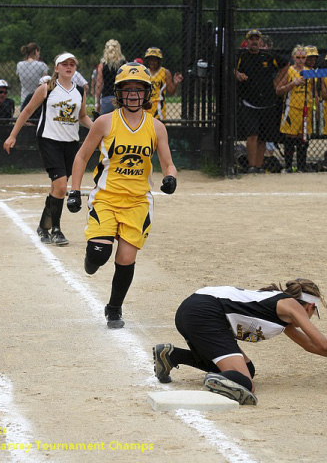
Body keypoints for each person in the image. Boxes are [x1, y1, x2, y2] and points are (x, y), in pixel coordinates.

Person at [67, 62, 178, 329]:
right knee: (98, 254)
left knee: (126, 258)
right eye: (127, 90)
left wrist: (170, 178)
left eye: (138, 90)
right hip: (106, 197)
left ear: (147, 93)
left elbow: (168, 163)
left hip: (138, 202)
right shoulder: (105, 122)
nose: (132, 95)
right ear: (118, 93)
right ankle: (91, 259)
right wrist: (74, 190)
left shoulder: (156, 127)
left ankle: (114, 308)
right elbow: (82, 156)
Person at [153, 278, 327, 406]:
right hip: (205, 313)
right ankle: (214, 379)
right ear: (310, 307)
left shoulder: (282, 313)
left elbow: (310, 345)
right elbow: (322, 344)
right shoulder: (291, 305)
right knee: (245, 382)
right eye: (312, 313)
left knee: (247, 370)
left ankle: (173, 356)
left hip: (193, 311)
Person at [4, 52, 92, 246]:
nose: (69, 67)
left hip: (70, 142)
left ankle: (43, 227)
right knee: (61, 186)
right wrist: (12, 135)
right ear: (56, 68)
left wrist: (98, 129)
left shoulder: (79, 90)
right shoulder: (47, 88)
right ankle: (56, 230)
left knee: (56, 188)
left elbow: (82, 116)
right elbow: (27, 111)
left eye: (72, 64)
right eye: (64, 64)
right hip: (49, 140)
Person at [236, 29, 288, 173]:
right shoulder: (241, 55)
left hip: (267, 103)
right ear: (247, 41)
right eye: (251, 39)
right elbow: (229, 67)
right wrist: (237, 74)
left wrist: (277, 81)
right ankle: (251, 166)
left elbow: (286, 64)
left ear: (260, 41)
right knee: (252, 134)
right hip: (248, 102)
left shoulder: (268, 56)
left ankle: (259, 166)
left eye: (256, 39)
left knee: (263, 137)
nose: (254, 41)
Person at [276, 45, 312, 173]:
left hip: (306, 109)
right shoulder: (290, 71)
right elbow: (278, 90)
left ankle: (301, 166)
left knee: (303, 137)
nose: (301, 60)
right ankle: (289, 166)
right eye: (298, 57)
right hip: (292, 108)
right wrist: (292, 84)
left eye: (303, 57)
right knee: (290, 137)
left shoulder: (309, 71)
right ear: (293, 58)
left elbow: (315, 93)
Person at [143, 47, 183, 122]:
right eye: (150, 59)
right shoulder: (144, 72)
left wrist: (175, 83)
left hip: (158, 106)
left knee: (157, 129)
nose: (152, 62)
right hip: (145, 105)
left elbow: (171, 92)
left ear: (159, 61)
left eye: (155, 59)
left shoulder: (165, 72)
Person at [95, 39, 125, 115]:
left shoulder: (102, 64)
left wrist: (97, 102)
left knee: (107, 123)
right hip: (120, 97)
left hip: (106, 96)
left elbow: (99, 84)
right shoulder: (124, 64)